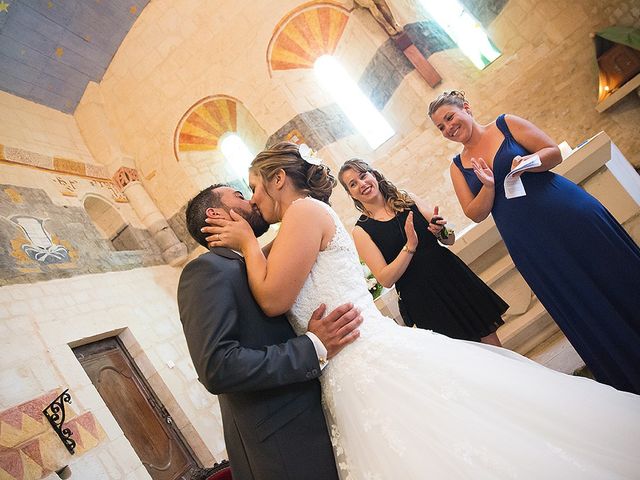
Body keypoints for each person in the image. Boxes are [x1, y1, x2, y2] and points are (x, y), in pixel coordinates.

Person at [204, 142, 640, 479]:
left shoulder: (302, 211)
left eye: (256, 187)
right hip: (346, 361)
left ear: (279, 178)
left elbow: (274, 298)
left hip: (361, 360)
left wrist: (245, 243)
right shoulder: (297, 223)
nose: (254, 199)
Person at [428, 90, 640, 395]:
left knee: (614, 272)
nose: (448, 128)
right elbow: (474, 213)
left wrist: (529, 161)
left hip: (565, 211)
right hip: (528, 240)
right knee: (575, 294)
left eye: (449, 117)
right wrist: (489, 186)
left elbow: (552, 151)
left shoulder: (505, 124)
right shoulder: (457, 165)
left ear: (466, 107)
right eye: (441, 127)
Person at [177, 183, 363, 480]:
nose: (250, 200)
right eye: (239, 195)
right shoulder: (206, 270)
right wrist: (312, 346)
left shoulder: (249, 264)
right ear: (215, 214)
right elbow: (217, 367)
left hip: (311, 420)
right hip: (283, 444)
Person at [338, 158, 507, 345]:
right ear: (350, 194)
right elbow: (385, 279)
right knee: (460, 356)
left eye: (363, 176)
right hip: (423, 297)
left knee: (492, 342)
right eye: (353, 184)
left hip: (451, 276)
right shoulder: (361, 230)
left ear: (373, 175)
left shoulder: (407, 199)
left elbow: (449, 239)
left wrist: (441, 229)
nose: (362, 184)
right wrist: (409, 247)